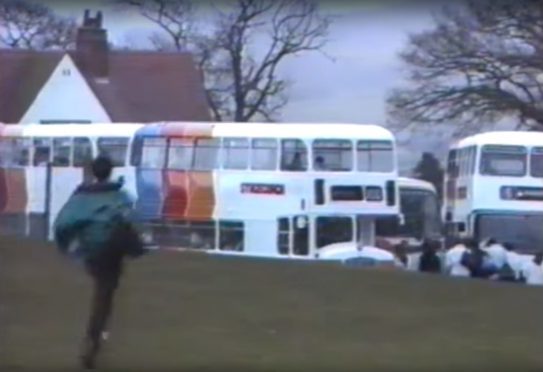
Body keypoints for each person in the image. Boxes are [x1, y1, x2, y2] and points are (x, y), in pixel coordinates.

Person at [53, 156, 146, 369]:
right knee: (105, 293)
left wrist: (65, 246)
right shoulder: (120, 195)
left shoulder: (81, 197)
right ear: (110, 171)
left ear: (93, 172)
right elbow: (132, 218)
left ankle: (96, 335)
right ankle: (94, 337)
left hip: (93, 251)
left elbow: (63, 224)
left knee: (104, 288)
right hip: (112, 250)